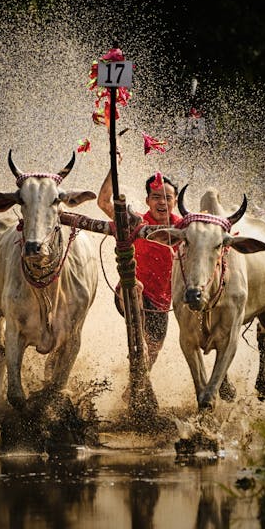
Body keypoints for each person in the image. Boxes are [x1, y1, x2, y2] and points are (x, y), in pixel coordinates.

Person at [98, 155, 182, 369]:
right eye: (155, 196)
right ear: (147, 201)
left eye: (167, 197)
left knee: (153, 353)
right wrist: (113, 167)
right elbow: (103, 202)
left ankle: (136, 386)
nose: (162, 202)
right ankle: (139, 343)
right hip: (129, 293)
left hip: (162, 302)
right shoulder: (136, 222)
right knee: (136, 287)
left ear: (175, 201)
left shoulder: (184, 228)